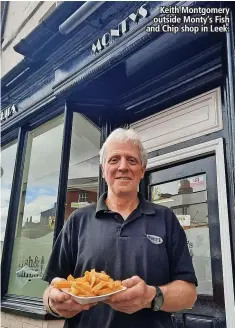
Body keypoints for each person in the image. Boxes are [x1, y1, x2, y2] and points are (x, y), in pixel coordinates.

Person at [42, 128, 197, 328]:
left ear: (142, 170)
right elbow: (51, 289)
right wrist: (53, 304)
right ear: (103, 169)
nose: (123, 167)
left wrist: (151, 296)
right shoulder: (77, 220)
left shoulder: (166, 219)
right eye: (114, 160)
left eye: (131, 160)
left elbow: (189, 294)